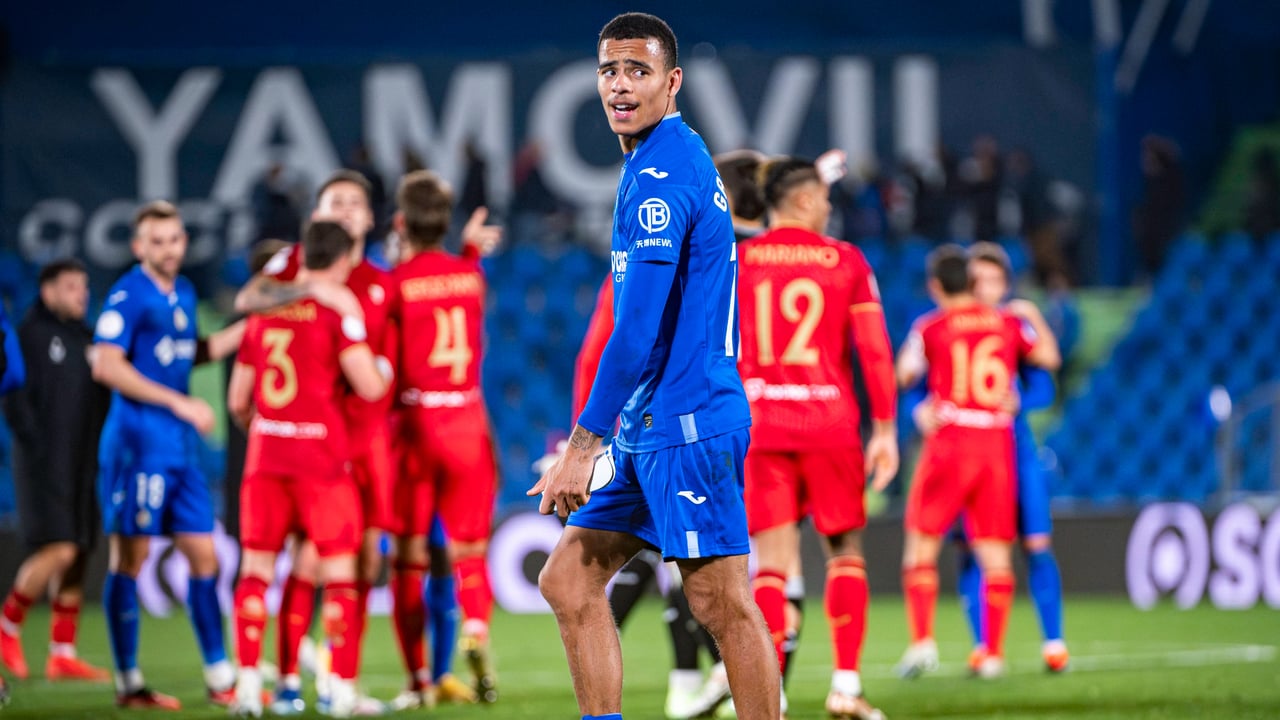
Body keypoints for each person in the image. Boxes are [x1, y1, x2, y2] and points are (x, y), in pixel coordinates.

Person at [531, 13, 780, 720]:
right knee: (568, 580)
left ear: (672, 82)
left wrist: (582, 446)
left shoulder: (661, 178)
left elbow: (635, 331)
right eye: (609, 70)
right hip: (650, 427)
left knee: (721, 603)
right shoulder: (661, 156)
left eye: (637, 71)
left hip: (689, 422)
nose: (620, 84)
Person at [735, 157, 897, 719]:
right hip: (829, 425)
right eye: (824, 198)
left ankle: (772, 695)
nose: (829, 207)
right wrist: (885, 429)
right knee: (844, 551)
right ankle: (846, 685)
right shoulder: (845, 260)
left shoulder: (741, 260)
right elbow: (873, 350)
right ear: (804, 200)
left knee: (771, 564)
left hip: (761, 425)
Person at [237, 170, 391, 715]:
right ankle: (324, 687)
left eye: (354, 201)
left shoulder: (274, 309)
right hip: (326, 455)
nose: (345, 209)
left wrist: (269, 428)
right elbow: (372, 382)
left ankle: (257, 687)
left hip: (282, 452)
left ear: (368, 218)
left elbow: (238, 398)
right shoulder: (317, 292)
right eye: (335, 201)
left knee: (262, 569)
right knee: (334, 570)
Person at [91, 200, 246, 708]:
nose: (168, 249)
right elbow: (106, 364)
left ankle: (220, 677)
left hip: (180, 449)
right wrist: (179, 402)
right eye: (157, 241)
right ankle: (129, 682)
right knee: (130, 558)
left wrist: (249, 329)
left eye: (175, 239)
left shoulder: (184, 292)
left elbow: (186, 352)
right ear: (139, 247)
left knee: (205, 557)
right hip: (138, 445)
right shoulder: (128, 295)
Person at [893, 245, 1060, 680]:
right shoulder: (1007, 323)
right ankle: (992, 655)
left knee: (921, 546)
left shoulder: (930, 326)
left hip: (951, 441)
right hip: (996, 445)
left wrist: (924, 400)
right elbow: (1046, 357)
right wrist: (1031, 317)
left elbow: (904, 373)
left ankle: (923, 641)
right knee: (995, 554)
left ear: (935, 286)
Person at [386, 169, 502, 708]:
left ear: (400, 223)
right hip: (467, 421)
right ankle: (474, 625)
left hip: (415, 426)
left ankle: (418, 681)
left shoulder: (394, 285)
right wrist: (471, 250)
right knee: (470, 550)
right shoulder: (470, 277)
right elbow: (460, 281)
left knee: (409, 559)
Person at [1, 259, 110, 683]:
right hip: (44, 462)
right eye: (71, 287)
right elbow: (13, 394)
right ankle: (7, 626)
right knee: (60, 548)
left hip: (83, 462)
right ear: (47, 291)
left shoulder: (87, 338)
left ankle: (62, 653)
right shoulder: (29, 336)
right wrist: (35, 445)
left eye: (84, 286)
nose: (81, 294)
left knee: (79, 551)